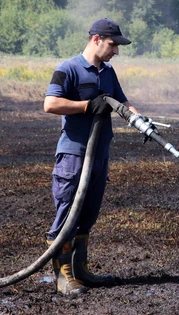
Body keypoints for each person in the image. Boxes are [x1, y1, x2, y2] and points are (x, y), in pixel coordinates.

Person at [43, 18, 142, 295]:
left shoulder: (108, 73)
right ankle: (64, 277)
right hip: (74, 155)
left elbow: (122, 102)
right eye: (113, 45)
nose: (116, 52)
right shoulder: (68, 69)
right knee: (67, 214)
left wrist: (141, 121)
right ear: (96, 39)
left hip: (100, 153)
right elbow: (50, 104)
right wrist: (87, 105)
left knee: (88, 214)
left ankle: (81, 271)